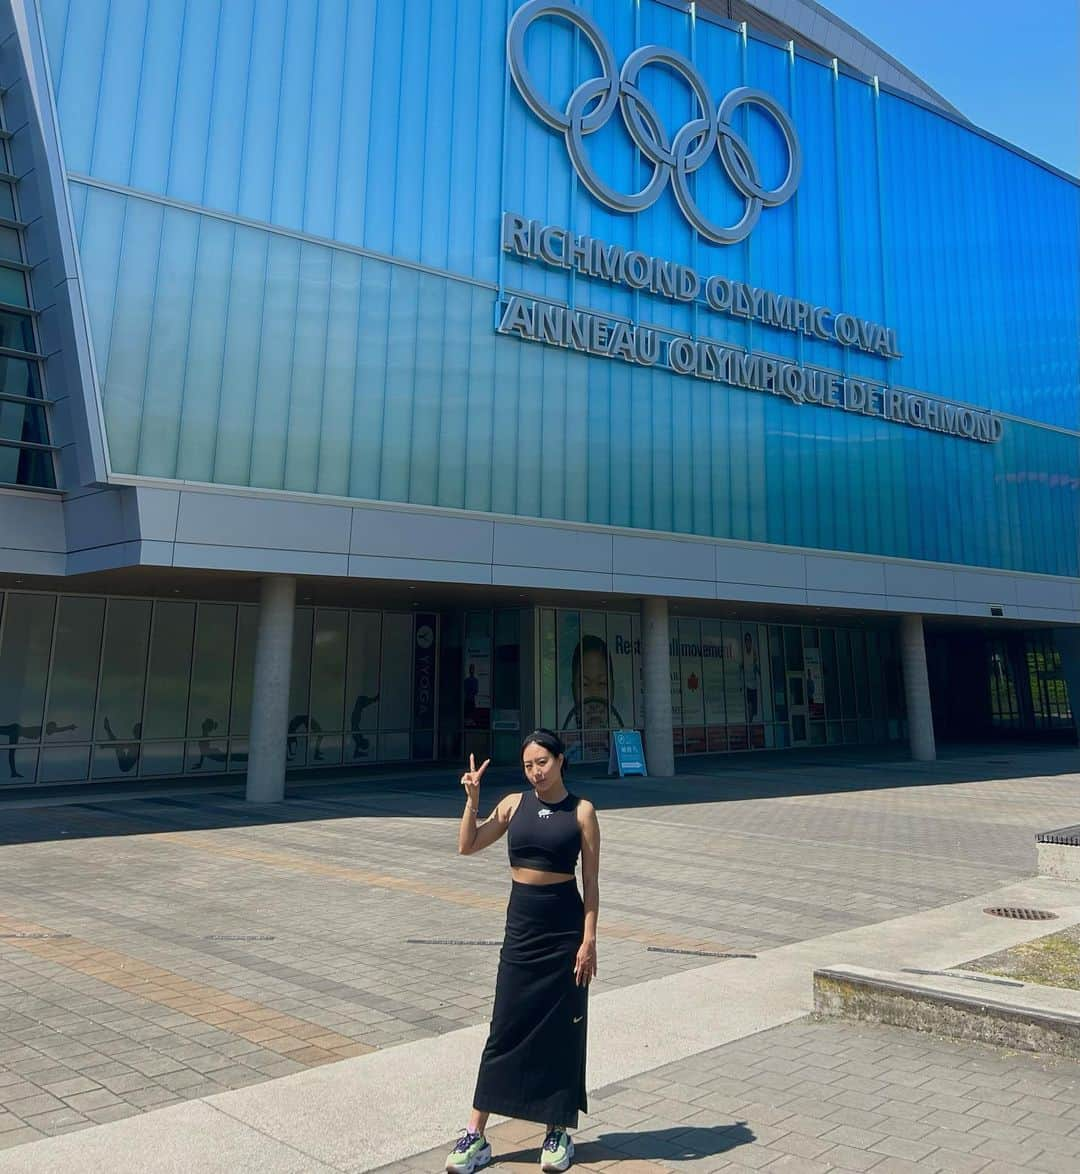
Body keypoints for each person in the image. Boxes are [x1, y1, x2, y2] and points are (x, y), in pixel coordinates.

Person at [447, 729, 601, 1174]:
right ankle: (476, 1134)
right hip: (522, 927)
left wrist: (588, 939)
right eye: (529, 765)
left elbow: (591, 883)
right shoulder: (515, 804)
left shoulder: (582, 812)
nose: (535, 772)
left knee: (561, 1031)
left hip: (564, 929)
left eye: (543, 763)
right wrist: (473, 800)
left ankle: (556, 1131)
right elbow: (467, 844)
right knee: (504, 1027)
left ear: (560, 760)